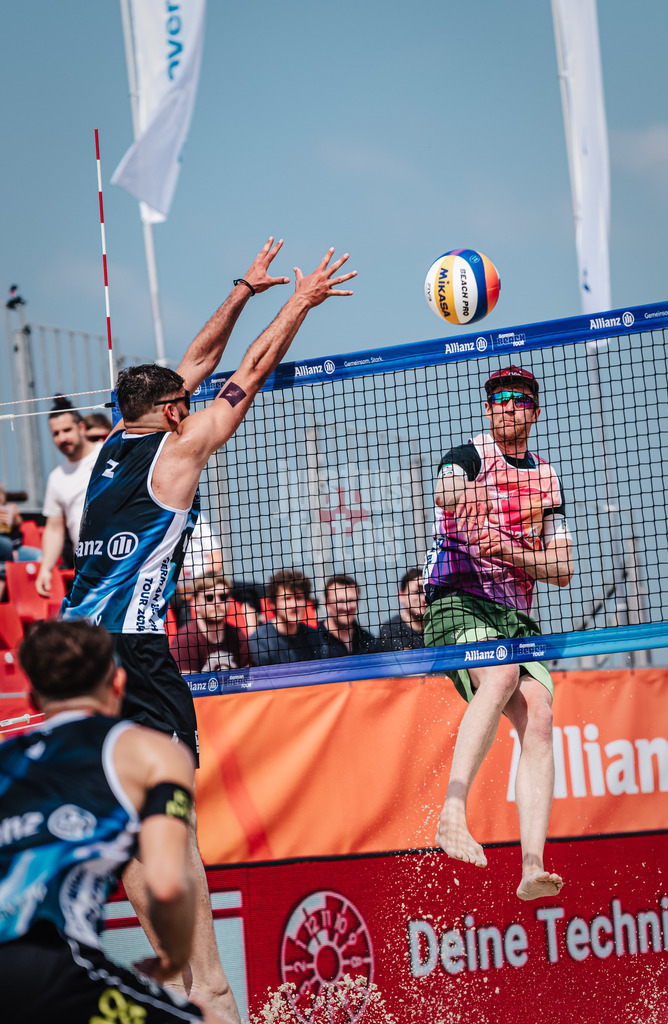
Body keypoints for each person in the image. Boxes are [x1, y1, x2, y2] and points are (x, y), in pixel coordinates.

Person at [61, 238, 355, 1018]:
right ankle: (210, 986)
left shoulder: (112, 444)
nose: (189, 405)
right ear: (172, 412)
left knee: (132, 820)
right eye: (182, 403)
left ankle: (178, 970)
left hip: (73, 656)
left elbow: (193, 361)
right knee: (172, 817)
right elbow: (246, 369)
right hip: (132, 652)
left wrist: (242, 290)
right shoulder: (180, 447)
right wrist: (298, 303)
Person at [0, 619, 222, 1024]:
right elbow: (168, 881)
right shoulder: (149, 753)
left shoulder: (7, 758)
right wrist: (172, 961)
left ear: (32, 698)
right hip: (55, 965)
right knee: (203, 1019)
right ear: (118, 682)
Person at [422, 364, 574, 901]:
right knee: (503, 673)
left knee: (541, 714)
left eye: (520, 399)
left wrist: (510, 550)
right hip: (456, 597)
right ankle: (452, 812)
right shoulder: (470, 454)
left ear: (535, 412)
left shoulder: (547, 479)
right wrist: (463, 495)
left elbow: (563, 568)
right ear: (487, 410)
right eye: (500, 399)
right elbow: (444, 487)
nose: (509, 406)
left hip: (513, 615)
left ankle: (532, 865)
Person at [36, 397, 102, 597]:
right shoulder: (56, 478)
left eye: (66, 430)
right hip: (86, 569)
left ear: (81, 427)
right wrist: (45, 568)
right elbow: (54, 529)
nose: (62, 438)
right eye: (55, 433)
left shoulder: (107, 455)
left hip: (124, 560)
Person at [170, 573, 249, 673]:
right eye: (209, 598)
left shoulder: (238, 636)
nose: (217, 603)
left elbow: (249, 678)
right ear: (194, 603)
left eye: (223, 597)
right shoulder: (184, 641)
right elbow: (187, 682)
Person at [249, 569, 321, 665]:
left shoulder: (315, 637)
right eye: (287, 598)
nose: (294, 605)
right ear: (272, 603)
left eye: (299, 598)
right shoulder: (259, 642)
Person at [316, 574, 377, 657]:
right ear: (327, 604)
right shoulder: (314, 639)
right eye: (340, 601)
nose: (346, 607)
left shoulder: (368, 641)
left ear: (358, 602)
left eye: (351, 600)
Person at [0, 482, 42, 599]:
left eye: (1, 491)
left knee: (43, 557)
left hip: (17, 550)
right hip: (6, 552)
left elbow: (19, 521)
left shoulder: (11, 508)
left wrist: (14, 518)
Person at [377, 567, 426, 651]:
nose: (423, 598)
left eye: (426, 592)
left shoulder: (436, 626)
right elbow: (407, 658)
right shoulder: (390, 630)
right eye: (417, 592)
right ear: (401, 595)